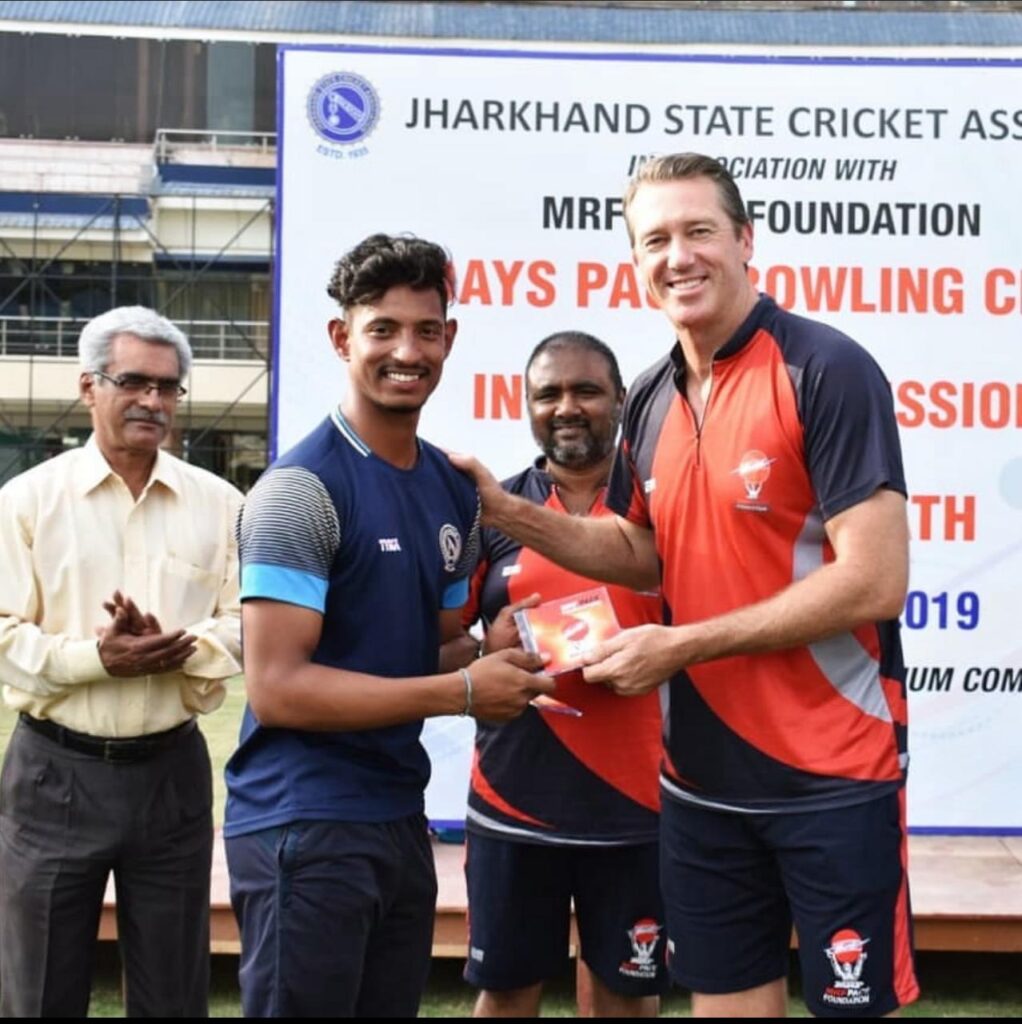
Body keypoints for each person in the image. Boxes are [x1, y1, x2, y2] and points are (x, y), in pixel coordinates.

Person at [451, 153, 919, 1018]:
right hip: (699, 786)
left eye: (699, 231)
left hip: (832, 773)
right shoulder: (652, 396)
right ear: (635, 262)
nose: (679, 256)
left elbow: (874, 581)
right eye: (655, 239)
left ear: (745, 241)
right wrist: (507, 513)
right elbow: (640, 550)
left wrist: (682, 646)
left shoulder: (825, 368)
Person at [223, 233, 553, 1019]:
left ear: (450, 338)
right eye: (383, 329)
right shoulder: (299, 490)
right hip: (303, 820)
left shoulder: (451, 488)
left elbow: (427, 646)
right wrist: (464, 690)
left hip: (396, 814)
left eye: (426, 330)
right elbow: (278, 689)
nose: (407, 351)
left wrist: (490, 649)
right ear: (342, 338)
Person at [0, 306, 243, 1017]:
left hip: (170, 773)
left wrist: (175, 648)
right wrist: (99, 660)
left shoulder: (221, 505)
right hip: (54, 773)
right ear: (89, 387)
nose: (153, 401)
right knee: (39, 992)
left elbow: (248, 623)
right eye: (133, 382)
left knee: (173, 993)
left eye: (168, 387)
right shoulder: (26, 503)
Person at [444, 331, 669, 1018]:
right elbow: (440, 647)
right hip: (515, 800)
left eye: (586, 391)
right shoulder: (492, 511)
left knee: (627, 996)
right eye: (549, 393)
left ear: (621, 400)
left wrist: (659, 650)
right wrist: (485, 653)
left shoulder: (663, 508)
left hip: (642, 806)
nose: (567, 407)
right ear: (528, 405)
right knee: (508, 993)